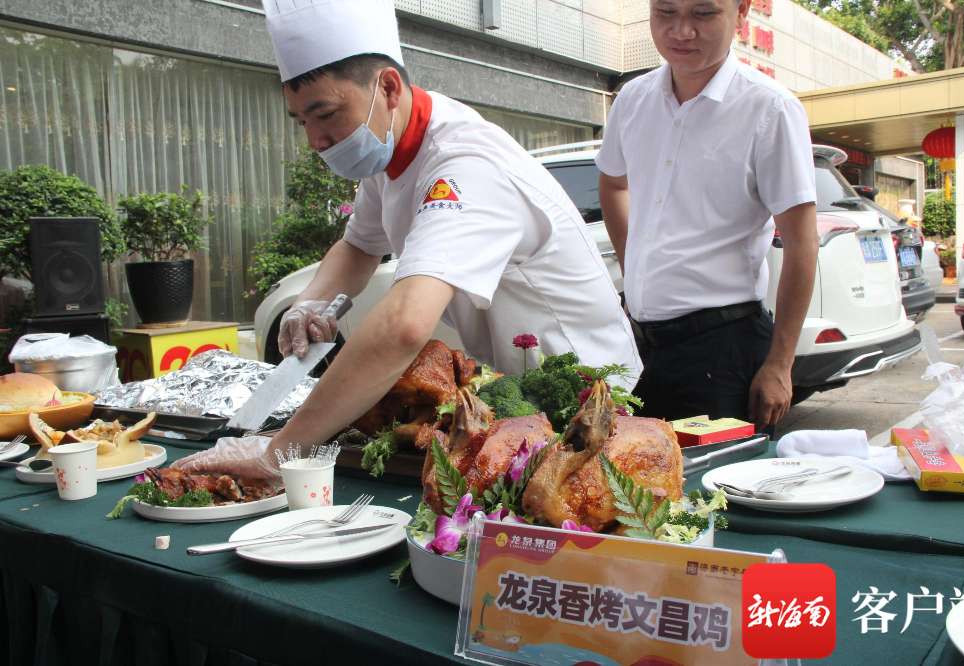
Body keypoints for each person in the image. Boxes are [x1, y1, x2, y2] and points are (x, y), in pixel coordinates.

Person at [177, 0, 639, 478]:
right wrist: (309, 303)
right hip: (518, 399)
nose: (315, 139)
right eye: (301, 122)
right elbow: (360, 245)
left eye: (326, 114)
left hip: (593, 400)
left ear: (389, 88)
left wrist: (278, 453)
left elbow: (406, 326)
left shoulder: (464, 165)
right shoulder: (390, 146)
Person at [597, 0, 819, 432]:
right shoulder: (633, 99)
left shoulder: (770, 108)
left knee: (718, 476)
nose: (682, 31)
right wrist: (635, 271)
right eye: (666, 12)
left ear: (741, 12)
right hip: (640, 350)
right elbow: (613, 185)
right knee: (631, 475)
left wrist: (780, 362)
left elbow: (801, 243)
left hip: (724, 350)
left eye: (703, 14)